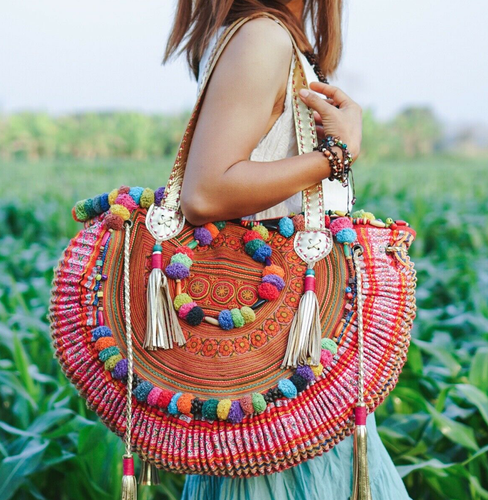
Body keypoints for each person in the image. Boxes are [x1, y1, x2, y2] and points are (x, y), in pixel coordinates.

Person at [164, 1, 412, 498]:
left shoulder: (271, 38)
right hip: (279, 392)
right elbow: (206, 192)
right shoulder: (263, 38)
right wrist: (334, 156)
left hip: (288, 386)